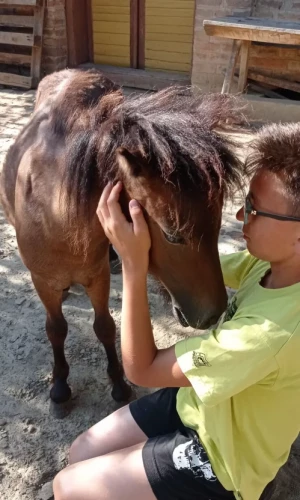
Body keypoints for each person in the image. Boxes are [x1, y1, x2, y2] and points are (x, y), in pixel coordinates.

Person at [53, 123, 300, 500]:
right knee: (79, 452)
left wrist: (132, 264)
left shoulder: (268, 334)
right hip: (199, 402)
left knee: (67, 487)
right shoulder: (270, 267)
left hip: (222, 459)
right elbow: (191, 261)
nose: (239, 215)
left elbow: (143, 369)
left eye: (254, 209)